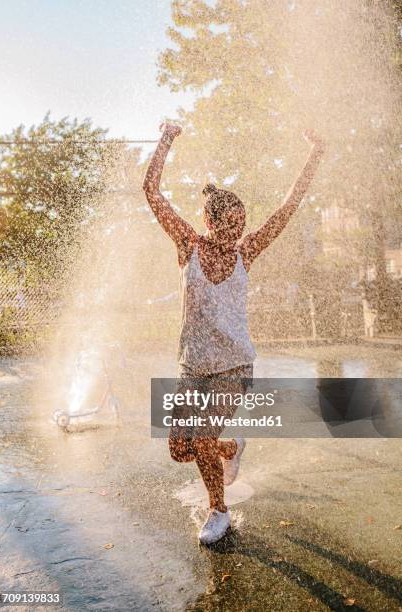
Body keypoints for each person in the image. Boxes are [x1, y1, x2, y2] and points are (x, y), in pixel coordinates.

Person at [143, 123, 325, 544]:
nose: (236, 234)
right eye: (228, 226)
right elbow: (151, 192)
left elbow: (288, 206)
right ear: (207, 221)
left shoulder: (247, 252)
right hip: (192, 367)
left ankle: (218, 512)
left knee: (202, 436)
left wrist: (314, 153)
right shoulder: (187, 245)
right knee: (182, 449)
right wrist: (167, 138)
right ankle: (230, 447)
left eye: (241, 225)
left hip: (234, 366)